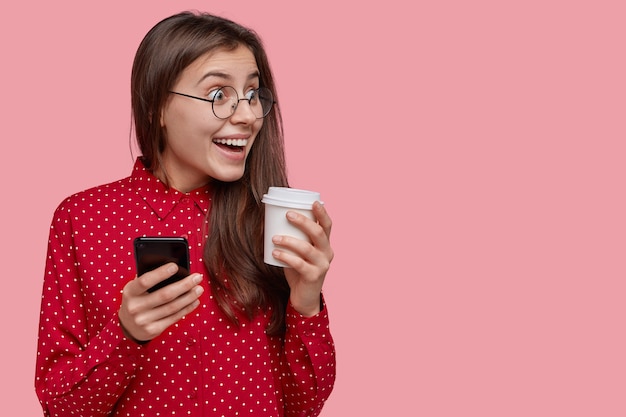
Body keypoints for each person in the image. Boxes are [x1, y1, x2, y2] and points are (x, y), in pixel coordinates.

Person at [35, 11, 336, 417]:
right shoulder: (83, 218)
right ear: (158, 106)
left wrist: (306, 303)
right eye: (218, 95)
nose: (247, 116)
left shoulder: (270, 222)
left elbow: (303, 407)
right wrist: (125, 336)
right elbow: (60, 406)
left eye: (252, 94)